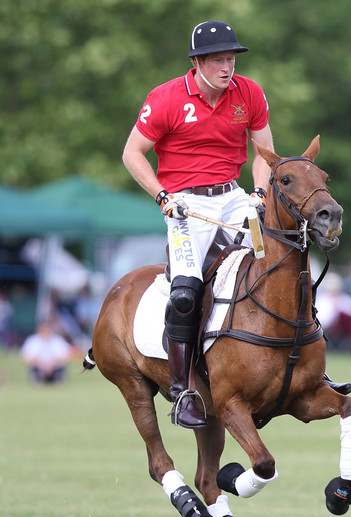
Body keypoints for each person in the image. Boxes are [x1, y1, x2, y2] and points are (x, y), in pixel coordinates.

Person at [122, 21, 274, 429]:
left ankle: (307, 362)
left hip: (235, 197)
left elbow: (265, 154)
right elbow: (133, 153)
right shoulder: (167, 97)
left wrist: (259, 194)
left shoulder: (249, 93)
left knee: (277, 259)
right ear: (197, 62)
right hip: (186, 204)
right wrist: (162, 196)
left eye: (231, 59)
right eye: (219, 60)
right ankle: (182, 389)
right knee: (187, 291)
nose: (228, 67)